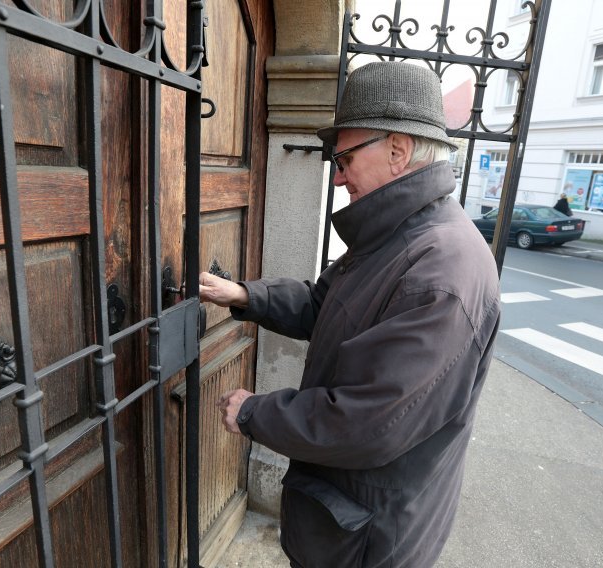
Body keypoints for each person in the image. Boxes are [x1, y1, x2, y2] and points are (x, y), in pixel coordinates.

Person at [199, 61, 501, 568]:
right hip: (346, 519)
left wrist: (255, 413)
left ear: (398, 152)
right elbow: (326, 306)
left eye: (344, 159)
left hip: (373, 537)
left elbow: (369, 422)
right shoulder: (396, 236)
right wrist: (246, 296)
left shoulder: (441, 270)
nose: (337, 178)